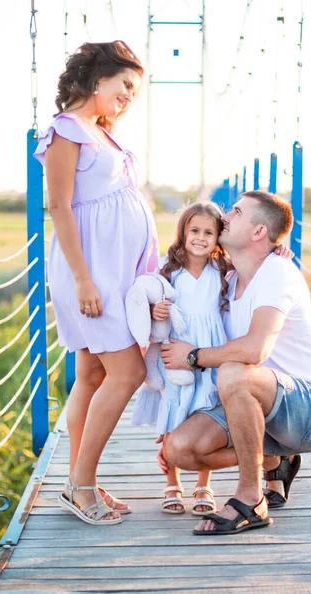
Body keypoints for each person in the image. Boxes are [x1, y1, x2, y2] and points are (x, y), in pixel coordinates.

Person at [158, 190, 311, 535]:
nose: (224, 217)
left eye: (236, 212)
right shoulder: (226, 279)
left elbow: (255, 350)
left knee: (234, 371)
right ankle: (277, 457)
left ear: (259, 232)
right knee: (180, 449)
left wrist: (193, 357)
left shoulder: (277, 272)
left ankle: (251, 498)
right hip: (262, 402)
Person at [34, 40, 159, 525]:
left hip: (114, 273)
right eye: (125, 84)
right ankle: (80, 483)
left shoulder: (102, 132)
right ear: (98, 78)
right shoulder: (68, 129)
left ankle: (78, 481)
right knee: (126, 373)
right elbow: (61, 207)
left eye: (135, 90)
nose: (129, 95)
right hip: (89, 273)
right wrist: (85, 280)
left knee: (91, 375)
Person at [132, 202, 230, 516]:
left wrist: (279, 251)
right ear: (183, 232)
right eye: (194, 231)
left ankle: (204, 483)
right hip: (174, 349)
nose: (201, 238)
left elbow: (260, 260)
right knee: (173, 409)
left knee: (205, 408)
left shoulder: (225, 269)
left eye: (209, 232)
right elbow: (149, 301)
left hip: (208, 350)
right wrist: (154, 311)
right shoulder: (168, 269)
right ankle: (171, 481)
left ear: (218, 237)